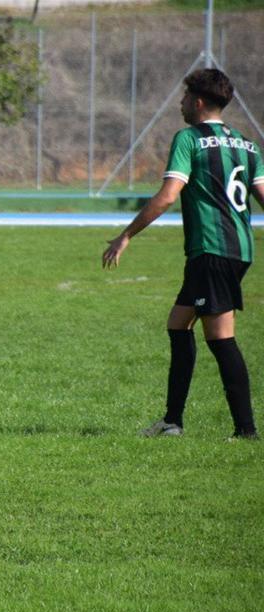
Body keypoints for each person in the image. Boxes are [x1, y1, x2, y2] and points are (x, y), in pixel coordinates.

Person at [103, 68, 260, 440]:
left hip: (212, 249)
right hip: (238, 249)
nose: (181, 104)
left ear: (199, 102)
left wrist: (126, 235)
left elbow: (167, 196)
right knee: (178, 324)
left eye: (185, 97)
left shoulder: (189, 139)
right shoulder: (246, 144)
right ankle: (172, 421)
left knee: (221, 338)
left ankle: (246, 430)